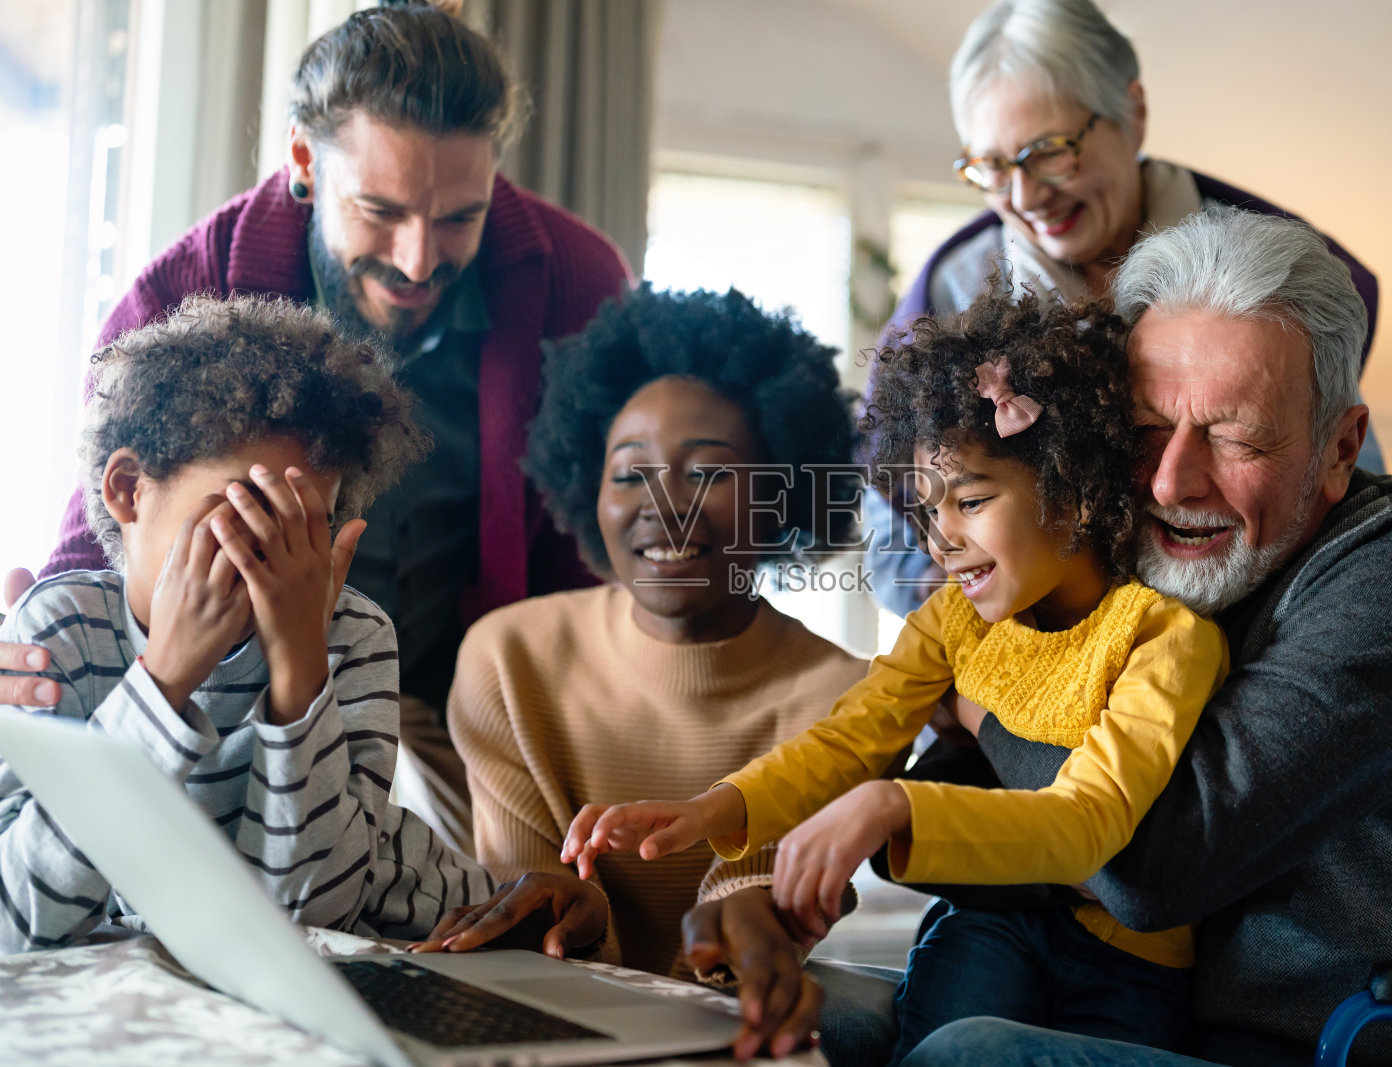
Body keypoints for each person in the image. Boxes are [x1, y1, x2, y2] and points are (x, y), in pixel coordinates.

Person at [694, 206, 1392, 1067]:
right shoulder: (1138, 551)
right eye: (1148, 430)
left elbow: (1150, 865)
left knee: (972, 1055)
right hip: (1158, 1024)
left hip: (1347, 1049)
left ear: (1340, 447)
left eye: (1236, 435)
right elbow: (958, 798)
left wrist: (980, 702)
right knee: (749, 1021)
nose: (1175, 479)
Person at [10, 0, 631, 853]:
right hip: (250, 682)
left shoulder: (576, 277)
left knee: (514, 907)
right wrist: (36, 647)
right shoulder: (183, 295)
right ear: (305, 160)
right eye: (381, 210)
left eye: (460, 217)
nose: (419, 261)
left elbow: (587, 559)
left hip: (478, 690)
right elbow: (110, 543)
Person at [563, 288, 1230, 1065]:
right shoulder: (952, 622)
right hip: (986, 922)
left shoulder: (1164, 636)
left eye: (972, 500)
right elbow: (851, 739)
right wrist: (712, 808)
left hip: (1131, 966)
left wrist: (897, 802)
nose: (942, 539)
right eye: (925, 511)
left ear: (1072, 490)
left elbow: (1090, 823)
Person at [426, 286, 869, 1061]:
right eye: (630, 474)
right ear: (587, 488)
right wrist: (574, 914)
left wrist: (740, 932)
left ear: (780, 497)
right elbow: (530, 938)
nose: (665, 506)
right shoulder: (507, 659)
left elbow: (752, 924)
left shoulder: (845, 697)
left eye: (708, 474)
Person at [0, 294, 509, 952]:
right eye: (243, 512)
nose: (274, 559)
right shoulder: (59, 634)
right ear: (128, 489)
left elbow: (310, 918)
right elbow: (16, 917)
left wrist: (301, 664)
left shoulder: (351, 638)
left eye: (305, 526)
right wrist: (163, 681)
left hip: (439, 927)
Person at [866, 0, 1383, 617]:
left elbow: (1336, 478)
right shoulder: (955, 296)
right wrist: (966, 629)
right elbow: (895, 528)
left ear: (1133, 112)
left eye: (1051, 151)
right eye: (994, 168)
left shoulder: (1268, 273)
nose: (1026, 197)